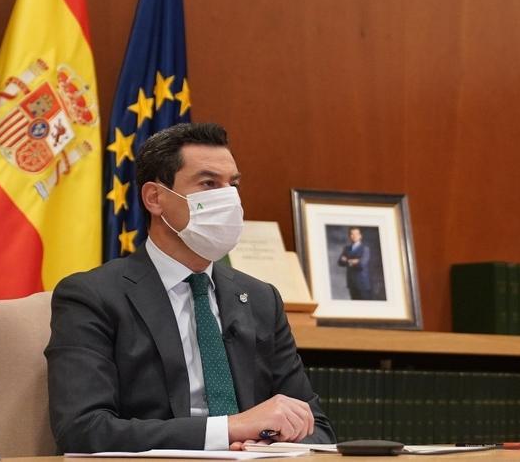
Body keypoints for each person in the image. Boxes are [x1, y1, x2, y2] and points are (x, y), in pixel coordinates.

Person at [46, 123, 335, 452]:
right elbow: (83, 430)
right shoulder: (92, 296)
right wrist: (226, 431)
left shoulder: (260, 299)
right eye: (209, 183)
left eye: (232, 185)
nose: (228, 198)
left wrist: (263, 439)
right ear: (155, 198)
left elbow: (318, 428)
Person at [336, 227, 373, 300]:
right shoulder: (346, 248)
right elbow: (340, 262)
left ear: (360, 236)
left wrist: (347, 260)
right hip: (351, 283)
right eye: (352, 234)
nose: (354, 236)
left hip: (362, 284)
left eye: (356, 234)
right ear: (350, 236)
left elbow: (361, 264)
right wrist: (354, 261)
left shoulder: (365, 248)